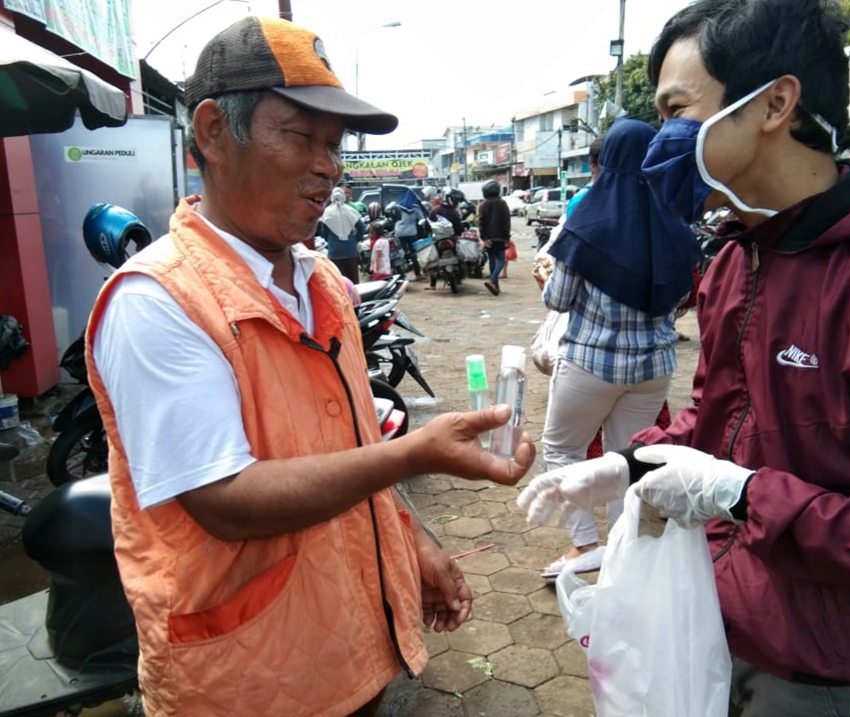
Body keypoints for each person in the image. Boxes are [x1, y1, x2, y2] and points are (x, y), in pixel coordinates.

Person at [85, 16, 535, 717]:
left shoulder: (321, 281)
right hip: (246, 681)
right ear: (213, 131)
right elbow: (225, 500)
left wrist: (411, 538)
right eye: (301, 137)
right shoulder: (157, 301)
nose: (329, 166)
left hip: (349, 651)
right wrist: (417, 452)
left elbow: (352, 444)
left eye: (335, 144)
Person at [517, 1, 850, 714]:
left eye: (676, 111)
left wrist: (741, 494)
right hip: (719, 615)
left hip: (826, 667)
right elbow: (716, 418)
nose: (661, 141)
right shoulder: (736, 261)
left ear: (776, 104)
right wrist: (628, 465)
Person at [536, 118, 698, 579]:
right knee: (626, 461)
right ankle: (624, 551)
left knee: (562, 451)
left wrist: (548, 278)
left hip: (590, 364)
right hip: (653, 369)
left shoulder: (586, 222)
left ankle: (586, 544)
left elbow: (558, 300)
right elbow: (684, 299)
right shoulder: (677, 226)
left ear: (605, 162)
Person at [317, 186, 363, 284]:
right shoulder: (350, 211)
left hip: (334, 251)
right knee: (353, 280)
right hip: (350, 250)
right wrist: (355, 240)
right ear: (343, 197)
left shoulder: (327, 212)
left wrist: (330, 242)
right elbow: (361, 227)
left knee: (339, 281)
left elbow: (324, 232)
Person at [426, 189, 465, 290]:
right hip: (451, 239)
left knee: (433, 259)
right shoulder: (454, 212)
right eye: (456, 201)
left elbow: (428, 225)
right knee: (460, 255)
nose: (457, 203)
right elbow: (459, 229)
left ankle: (432, 284)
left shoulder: (435, 210)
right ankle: (459, 278)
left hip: (437, 240)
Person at [478, 179, 511, 295]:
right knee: (501, 260)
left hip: (489, 238)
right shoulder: (502, 203)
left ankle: (495, 286)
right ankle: (493, 281)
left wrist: (484, 238)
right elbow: (506, 221)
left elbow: (481, 223)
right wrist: (507, 237)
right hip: (500, 237)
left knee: (492, 259)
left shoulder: (483, 205)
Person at [392, 189, 426, 280]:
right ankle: (417, 274)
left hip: (399, 232)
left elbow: (393, 217)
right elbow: (422, 220)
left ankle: (401, 274)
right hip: (412, 233)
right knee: (414, 253)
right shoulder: (415, 208)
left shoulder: (398, 206)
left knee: (400, 253)